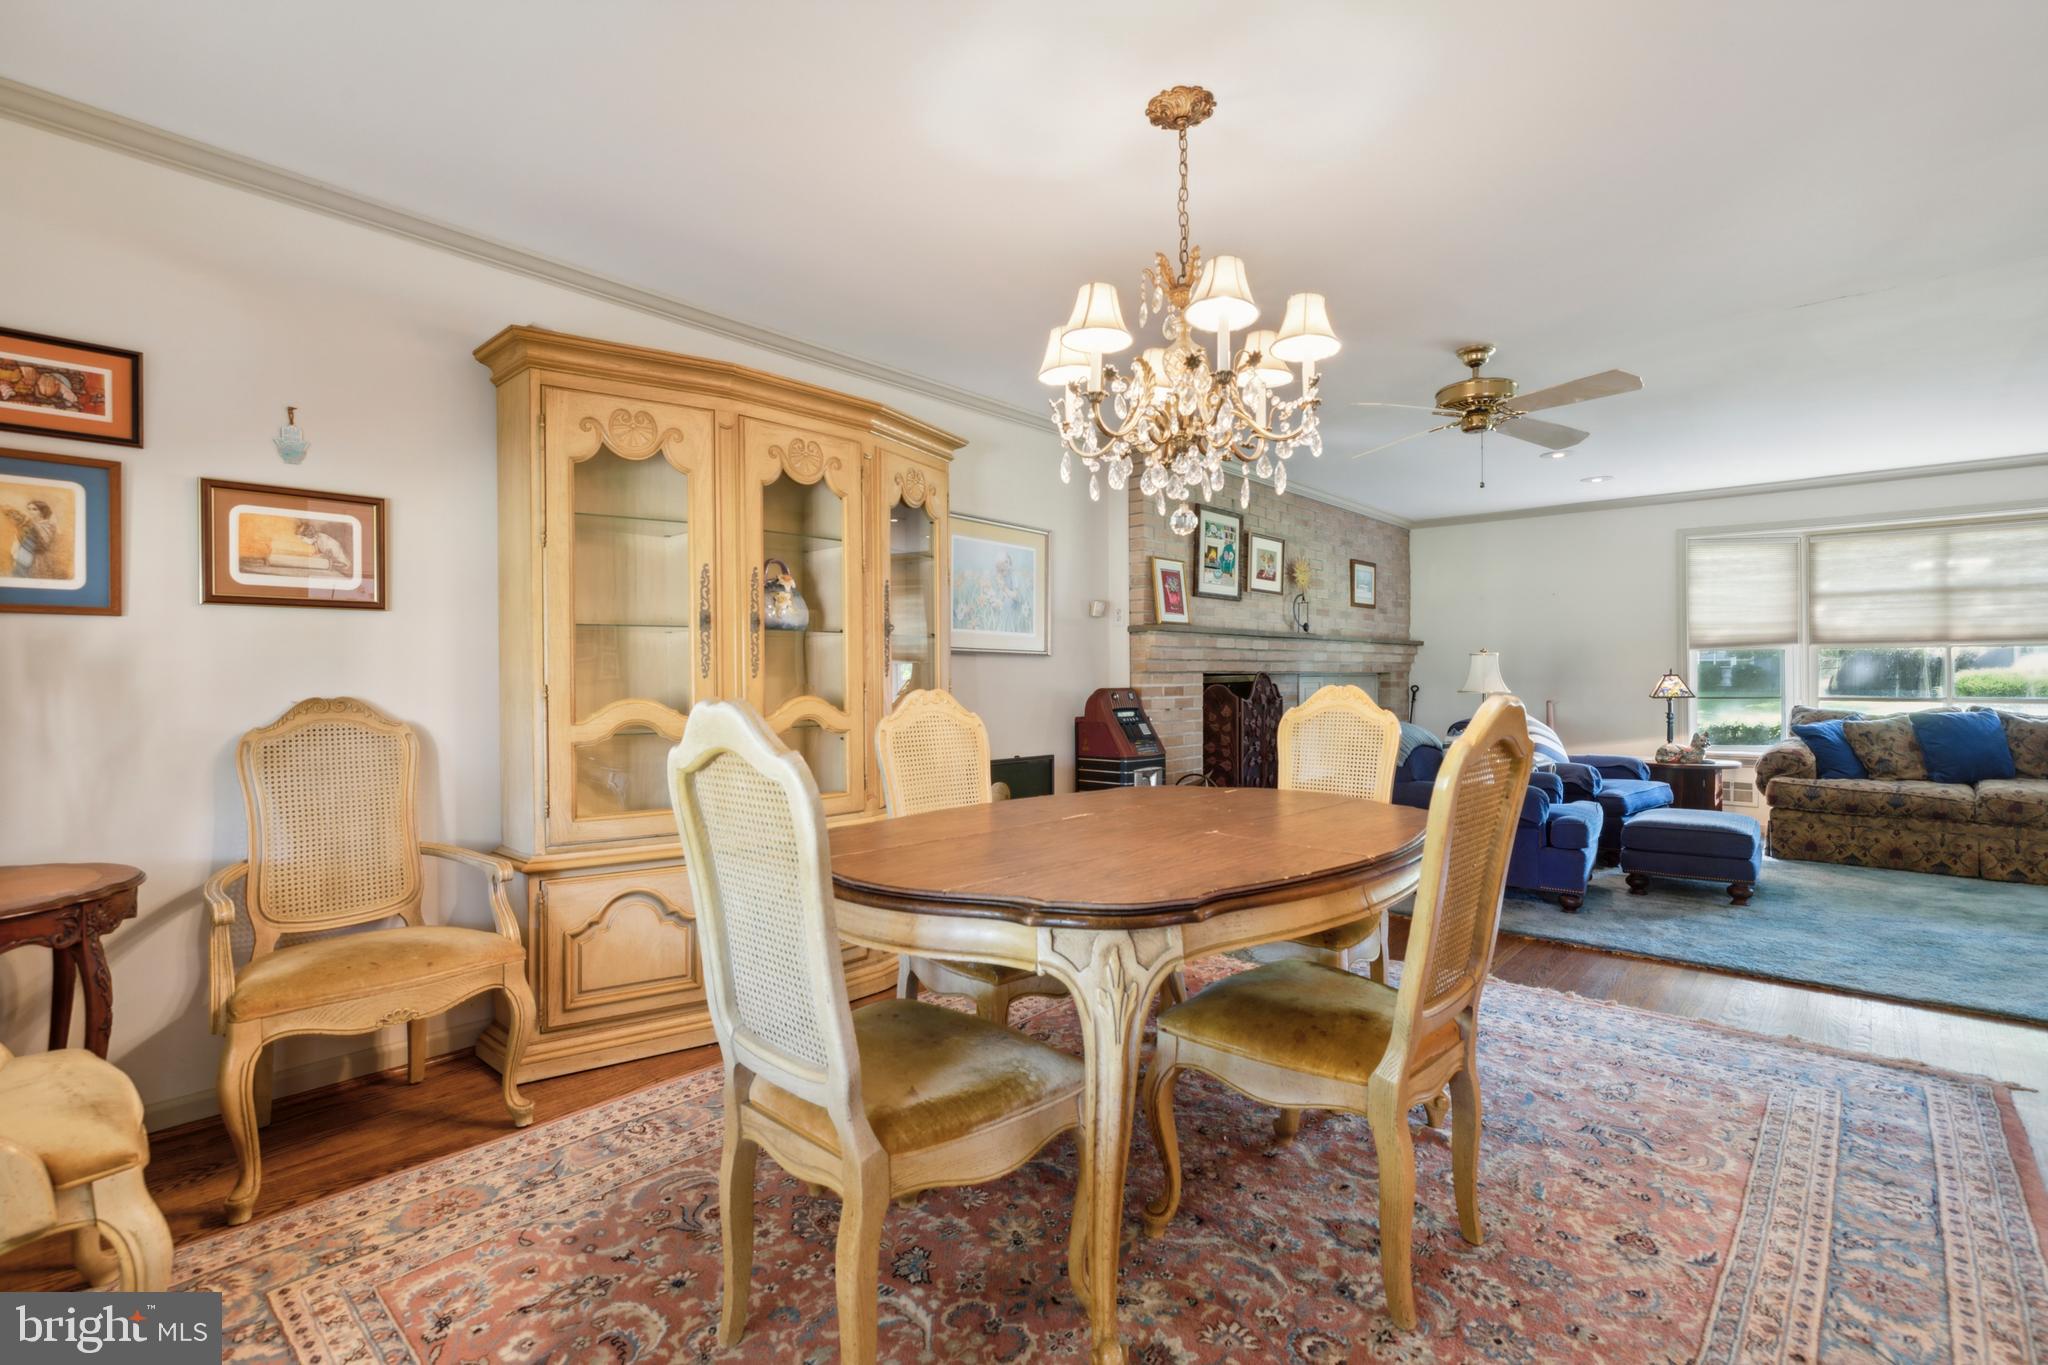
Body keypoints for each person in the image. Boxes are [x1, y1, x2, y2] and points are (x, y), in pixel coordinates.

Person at [4, 498, 60, 578]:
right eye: (29, 509)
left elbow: (44, 543)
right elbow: (22, 540)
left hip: (38, 560)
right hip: (23, 556)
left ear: (42, 511)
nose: (30, 511)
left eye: (34, 509)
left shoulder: (48, 526)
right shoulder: (28, 525)